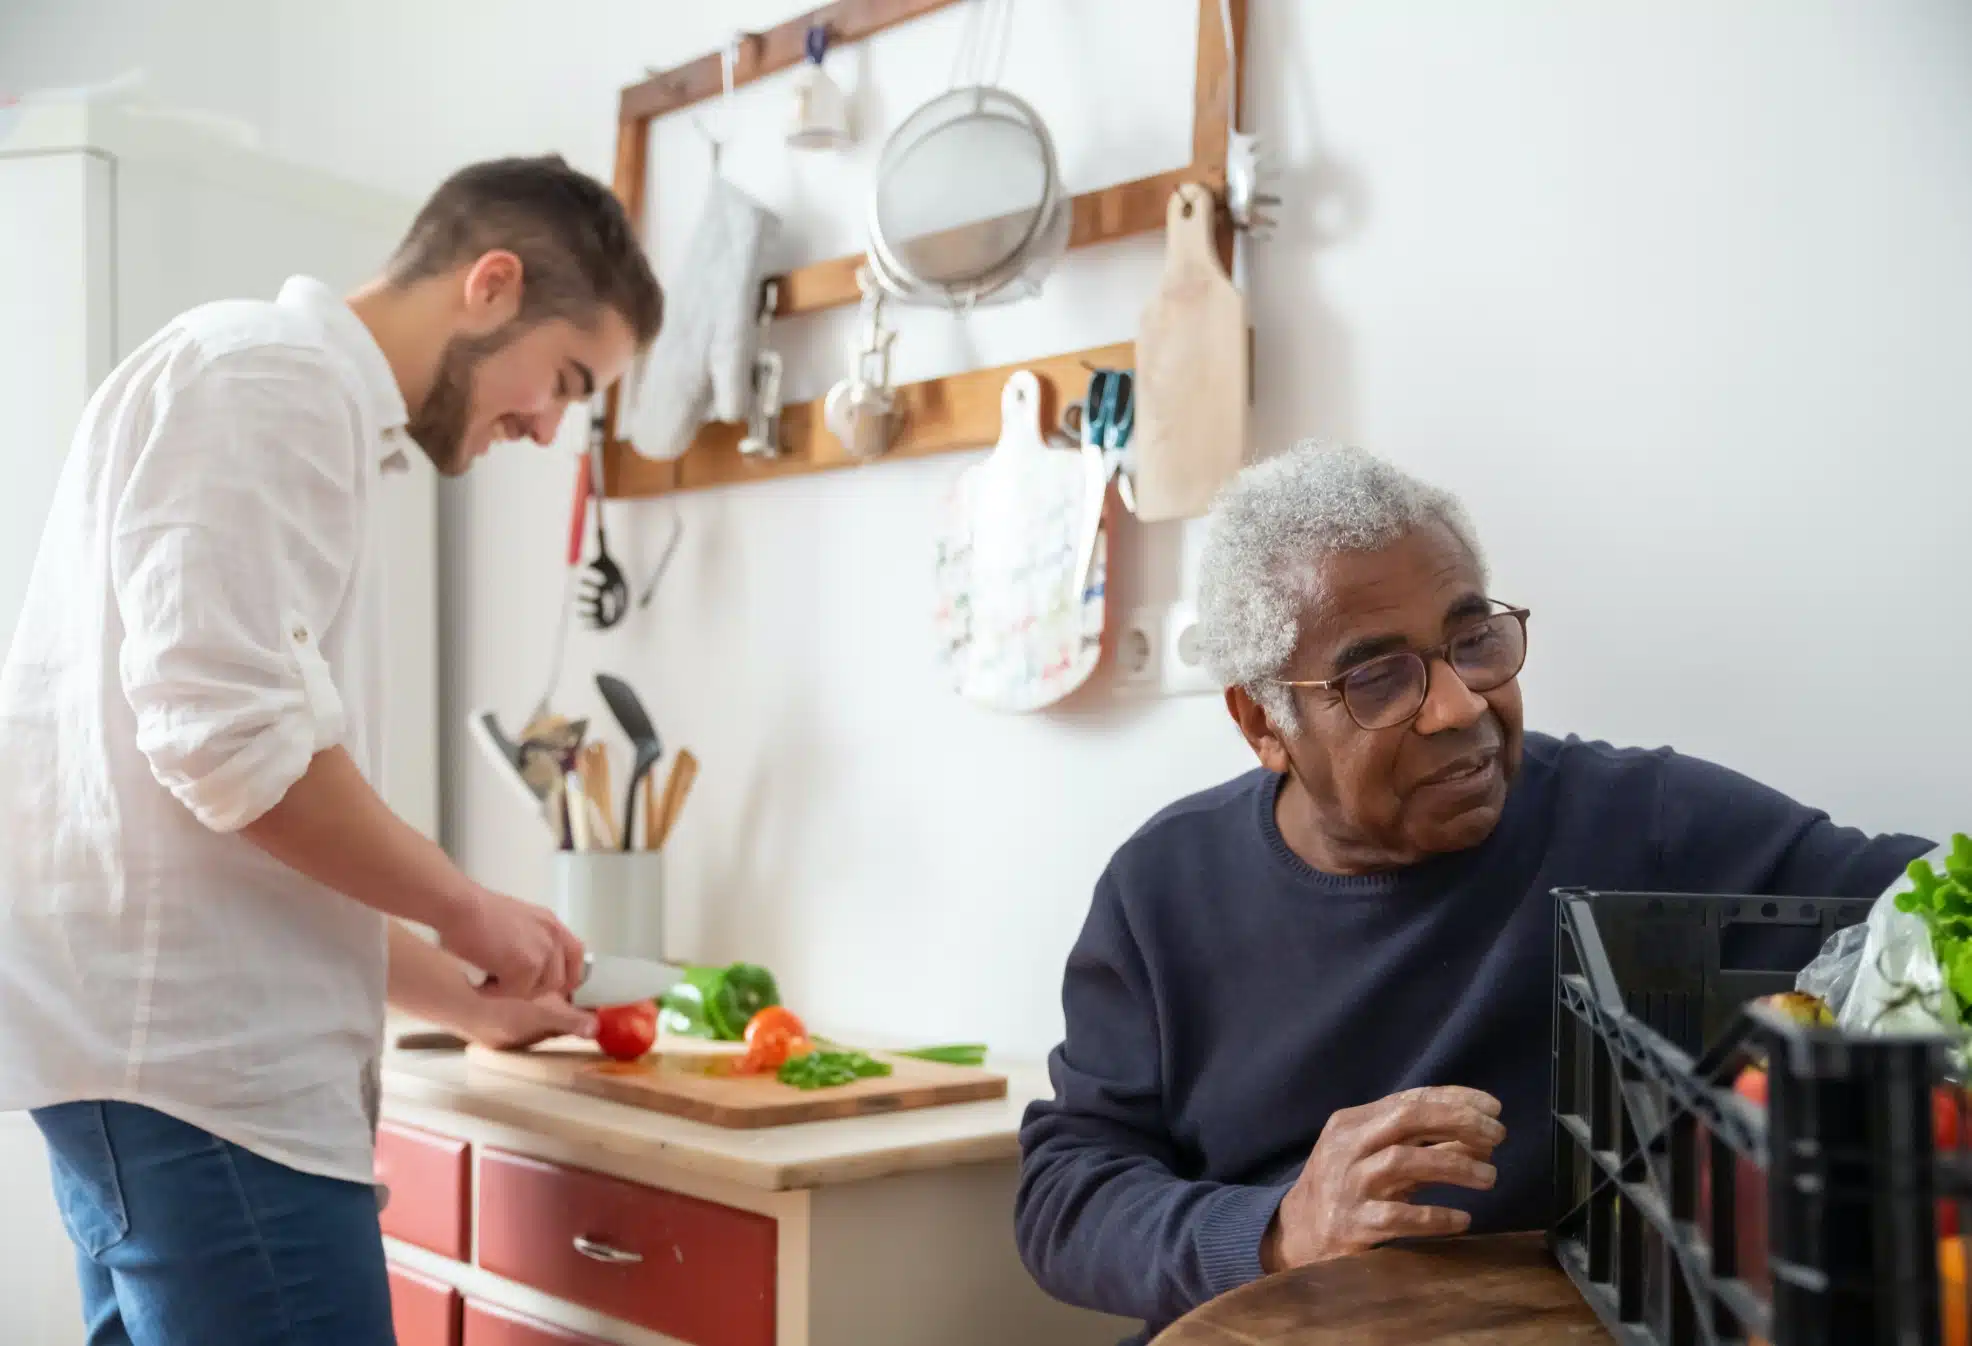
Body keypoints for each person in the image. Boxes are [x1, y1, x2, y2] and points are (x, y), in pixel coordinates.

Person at [1013, 443, 1932, 1344]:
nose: (1457, 705)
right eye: (1377, 677)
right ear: (1265, 722)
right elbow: (1068, 1189)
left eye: (1473, 640)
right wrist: (1279, 1230)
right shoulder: (1163, 889)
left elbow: (1924, 901)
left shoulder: (1642, 821)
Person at [0, 154, 663, 1345]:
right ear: (492, 284)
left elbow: (241, 816)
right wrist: (472, 912)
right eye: (563, 379)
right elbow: (235, 750)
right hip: (212, 1088)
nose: (548, 424)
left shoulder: (293, 400)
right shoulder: (270, 378)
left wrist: (452, 996)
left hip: (168, 1078)